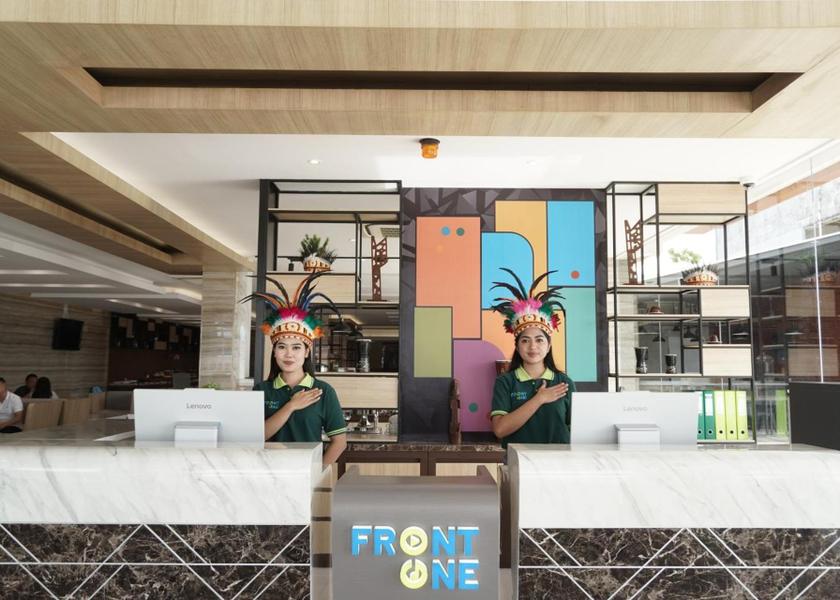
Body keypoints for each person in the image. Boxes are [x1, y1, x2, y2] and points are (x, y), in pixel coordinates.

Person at [244, 273, 348, 465]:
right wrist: (291, 406)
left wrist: (317, 473)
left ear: (307, 352)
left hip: (308, 472)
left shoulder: (323, 391)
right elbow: (256, 437)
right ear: (274, 352)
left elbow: (339, 442)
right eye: (282, 347)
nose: (289, 354)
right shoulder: (262, 390)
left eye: (296, 347)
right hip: (268, 471)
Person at [489, 269, 576, 447]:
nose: (533, 347)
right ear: (517, 346)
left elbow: (578, 430)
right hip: (518, 460)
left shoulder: (564, 383)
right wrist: (539, 399)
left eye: (539, 340)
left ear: (549, 346)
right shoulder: (505, 382)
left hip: (559, 461)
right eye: (525, 340)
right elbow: (500, 429)